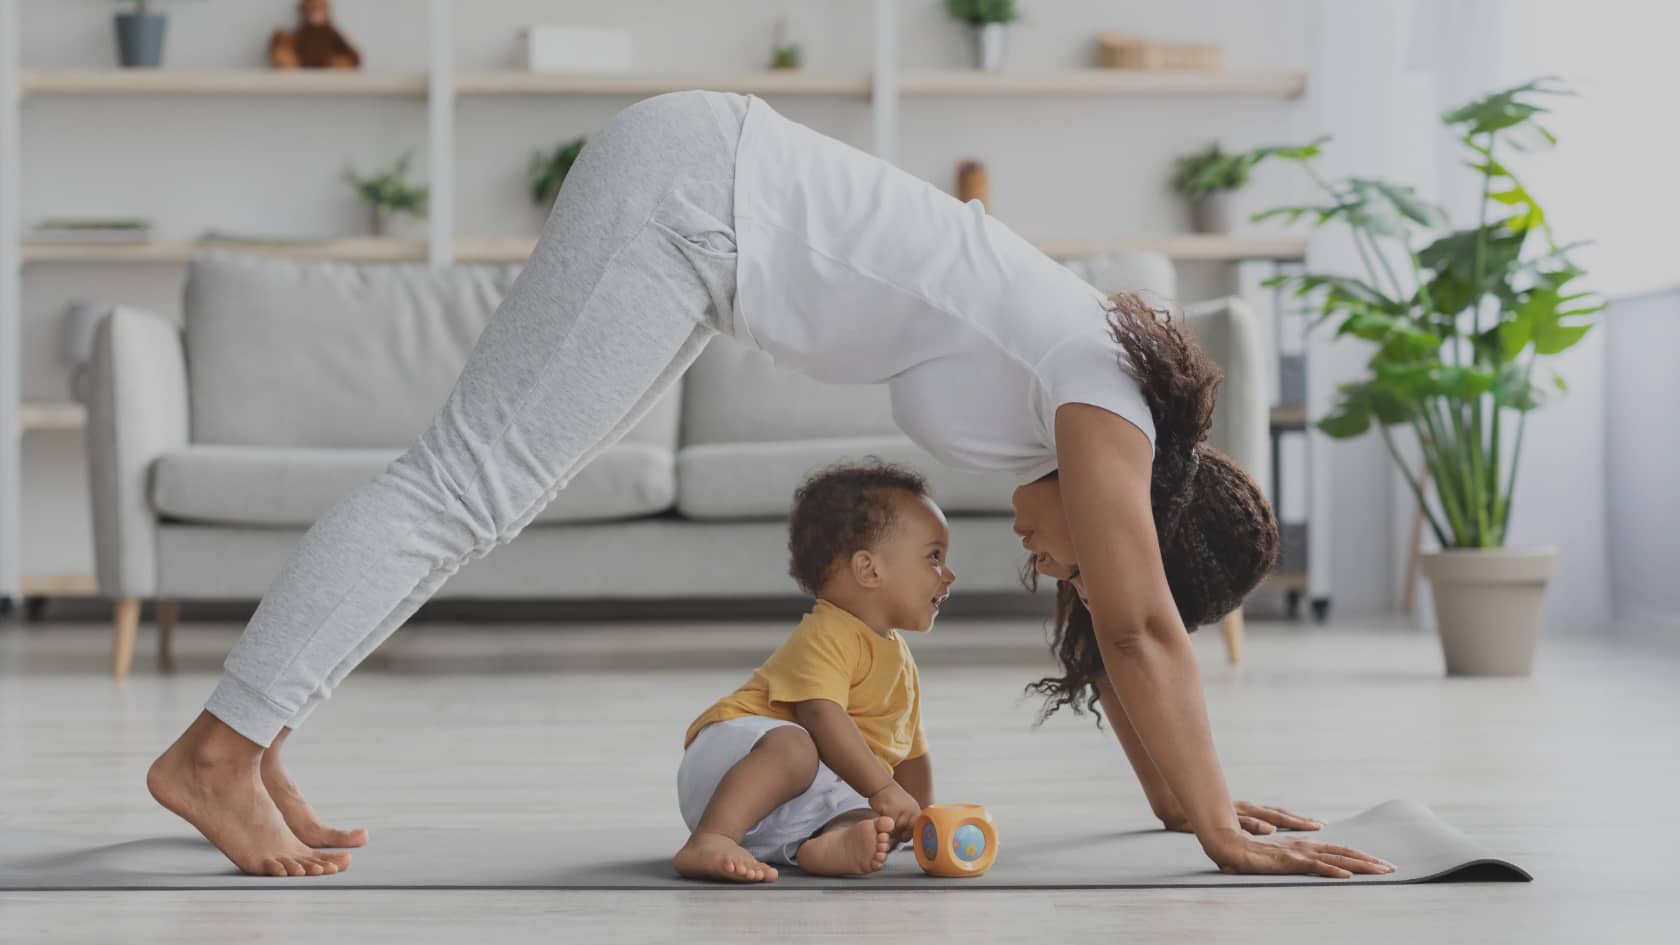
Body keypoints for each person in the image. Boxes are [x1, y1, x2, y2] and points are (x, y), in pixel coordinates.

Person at [147, 89, 1393, 880]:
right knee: (462, 489)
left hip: (706, 224)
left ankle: (253, 746)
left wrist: (1192, 806)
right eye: (1070, 559)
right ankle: (216, 752)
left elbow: (1114, 640)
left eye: (1059, 568)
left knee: (484, 498)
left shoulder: (1085, 422)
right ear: (1146, 522)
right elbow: (1138, 627)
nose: (1044, 564)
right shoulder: (1105, 396)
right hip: (695, 199)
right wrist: (1226, 835)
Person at [673, 460, 949, 882]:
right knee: (798, 747)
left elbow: (909, 750)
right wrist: (884, 789)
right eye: (934, 556)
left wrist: (919, 819)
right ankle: (711, 838)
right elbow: (821, 716)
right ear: (869, 569)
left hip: (786, 804)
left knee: (872, 820)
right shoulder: (828, 632)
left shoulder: (899, 658)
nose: (948, 575)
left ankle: (825, 846)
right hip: (734, 764)